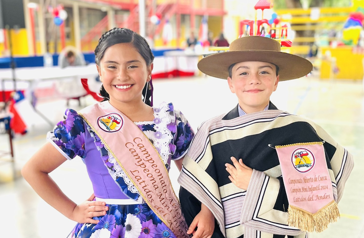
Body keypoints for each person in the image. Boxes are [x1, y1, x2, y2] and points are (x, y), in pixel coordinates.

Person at [22, 27, 195, 238]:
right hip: (107, 228)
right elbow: (33, 170)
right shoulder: (83, 123)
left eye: (132, 66)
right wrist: (73, 210)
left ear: (149, 69)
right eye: (112, 66)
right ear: (99, 70)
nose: (122, 75)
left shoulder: (171, 122)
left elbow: (194, 178)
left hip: (163, 226)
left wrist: (203, 213)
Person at [178, 36, 354, 238]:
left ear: (276, 81)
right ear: (231, 84)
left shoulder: (298, 131)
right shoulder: (211, 132)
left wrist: (256, 184)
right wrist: (206, 211)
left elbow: (314, 203)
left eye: (264, 72)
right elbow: (195, 189)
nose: (254, 79)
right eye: (243, 73)